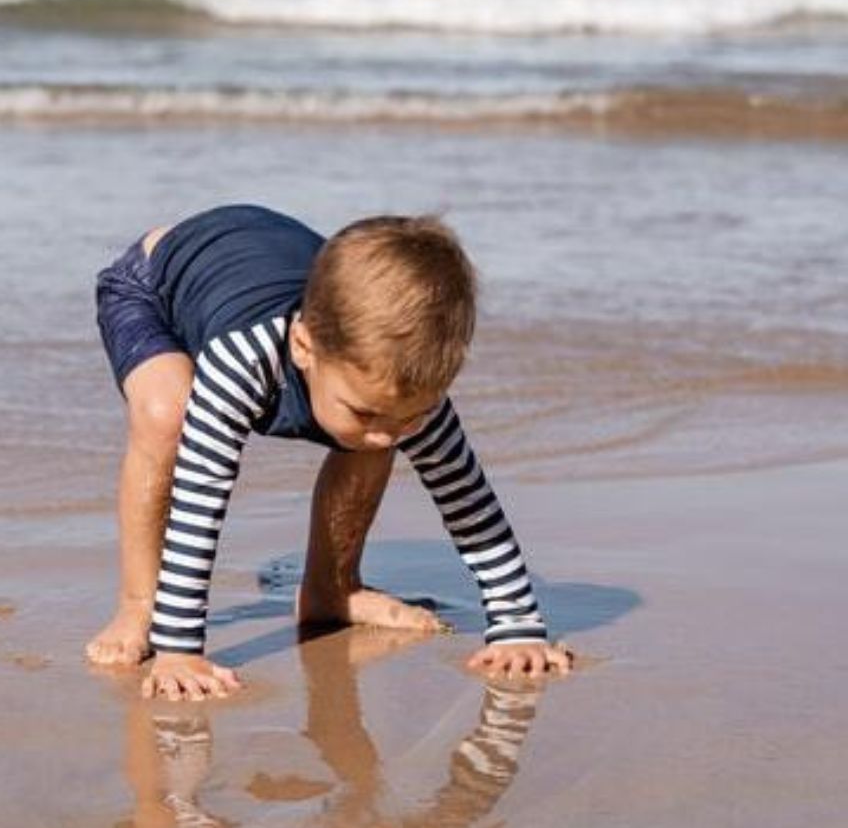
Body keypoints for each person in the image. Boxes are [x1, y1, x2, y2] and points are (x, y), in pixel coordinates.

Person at [87, 204, 574, 699]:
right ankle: (138, 604)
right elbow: (200, 499)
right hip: (154, 286)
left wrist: (518, 626)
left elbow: (470, 504)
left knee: (370, 439)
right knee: (168, 414)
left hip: (269, 265)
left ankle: (331, 588)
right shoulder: (244, 361)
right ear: (304, 346)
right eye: (364, 411)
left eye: (411, 415)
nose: (389, 435)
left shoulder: (394, 388)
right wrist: (179, 650)